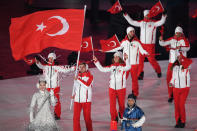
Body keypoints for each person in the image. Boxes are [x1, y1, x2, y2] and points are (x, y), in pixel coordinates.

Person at [123, 10, 167, 79]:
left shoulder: (153, 23)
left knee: (151, 60)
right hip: (142, 45)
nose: (147, 16)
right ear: (144, 15)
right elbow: (131, 22)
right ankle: (140, 73)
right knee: (140, 60)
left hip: (150, 45)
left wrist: (163, 16)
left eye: (148, 15)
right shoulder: (141, 23)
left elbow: (161, 22)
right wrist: (126, 15)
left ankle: (158, 71)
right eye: (146, 15)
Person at [108, 27, 148, 98]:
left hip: (134, 64)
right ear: (128, 32)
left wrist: (146, 52)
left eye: (133, 31)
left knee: (134, 80)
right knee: (122, 78)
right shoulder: (123, 42)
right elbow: (117, 48)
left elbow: (142, 50)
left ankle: (135, 93)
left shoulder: (137, 42)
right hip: (125, 64)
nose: (132, 33)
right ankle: (118, 92)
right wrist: (108, 49)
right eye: (131, 31)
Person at [35, 52, 75, 120]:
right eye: (49, 58)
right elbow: (40, 66)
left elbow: (65, 70)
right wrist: (37, 62)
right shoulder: (45, 67)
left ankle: (57, 114)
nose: (50, 59)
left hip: (55, 87)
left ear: (54, 59)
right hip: (47, 87)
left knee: (56, 101)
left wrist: (72, 68)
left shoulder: (57, 67)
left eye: (51, 58)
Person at [93, 51, 130, 122]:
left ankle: (122, 115)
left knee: (121, 105)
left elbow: (128, 67)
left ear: (120, 58)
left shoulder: (123, 67)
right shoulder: (112, 66)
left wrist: (126, 59)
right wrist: (96, 61)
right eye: (115, 57)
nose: (115, 58)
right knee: (112, 106)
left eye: (117, 56)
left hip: (121, 89)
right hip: (112, 89)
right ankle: (114, 118)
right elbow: (102, 69)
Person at [159, 26, 190, 102]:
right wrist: (160, 40)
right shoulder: (171, 39)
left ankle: (179, 94)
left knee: (180, 80)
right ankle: (171, 94)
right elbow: (163, 43)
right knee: (169, 79)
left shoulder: (184, 40)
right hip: (172, 63)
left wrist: (180, 48)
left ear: (181, 33)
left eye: (179, 33)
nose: (177, 34)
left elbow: (188, 48)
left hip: (180, 64)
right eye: (176, 32)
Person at [169, 54, 191, 128]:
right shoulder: (175, 67)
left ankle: (183, 121)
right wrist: (171, 83)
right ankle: (178, 121)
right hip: (176, 89)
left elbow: (190, 62)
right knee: (176, 106)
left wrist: (187, 88)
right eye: (178, 58)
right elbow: (173, 77)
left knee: (181, 105)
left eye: (180, 58)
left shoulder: (187, 68)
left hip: (184, 89)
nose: (179, 59)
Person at [72, 62, 93, 131]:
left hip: (86, 101)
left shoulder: (90, 76)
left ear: (86, 68)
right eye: (80, 67)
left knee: (87, 119)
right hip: (77, 100)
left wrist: (78, 79)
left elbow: (87, 85)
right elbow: (76, 87)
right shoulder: (77, 76)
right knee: (75, 119)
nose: (81, 68)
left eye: (83, 67)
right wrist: (74, 95)